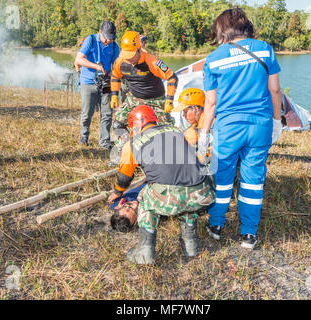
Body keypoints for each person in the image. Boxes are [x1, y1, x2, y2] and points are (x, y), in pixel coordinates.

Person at [200, 8, 283, 249]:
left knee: (223, 178)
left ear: (222, 30)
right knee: (253, 179)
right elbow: (275, 90)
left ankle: (216, 224)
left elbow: (211, 103)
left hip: (228, 129)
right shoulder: (265, 49)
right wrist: (277, 121)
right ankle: (248, 233)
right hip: (260, 126)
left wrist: (204, 133)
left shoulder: (214, 59)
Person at [108, 105, 215, 265]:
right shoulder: (176, 131)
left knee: (143, 197)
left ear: (134, 126)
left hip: (172, 199)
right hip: (203, 192)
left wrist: (117, 192)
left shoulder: (132, 143)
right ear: (154, 120)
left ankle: (144, 253)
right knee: (186, 197)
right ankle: (190, 245)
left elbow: (125, 177)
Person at [110, 31, 178, 130]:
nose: (129, 60)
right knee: (118, 125)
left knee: (166, 128)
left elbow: (172, 77)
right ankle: (129, 144)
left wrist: (169, 99)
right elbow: (115, 76)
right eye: (126, 56)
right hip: (135, 98)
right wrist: (114, 95)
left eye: (131, 56)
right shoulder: (120, 62)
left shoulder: (151, 60)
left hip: (156, 99)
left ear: (139, 50)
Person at [74, 21, 120, 150]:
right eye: (106, 38)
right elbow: (79, 59)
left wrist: (111, 73)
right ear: (100, 32)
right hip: (88, 81)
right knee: (87, 113)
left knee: (107, 113)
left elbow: (116, 65)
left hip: (105, 83)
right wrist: (96, 67)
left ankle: (104, 142)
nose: (108, 41)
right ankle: (84, 136)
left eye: (111, 38)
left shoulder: (115, 46)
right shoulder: (91, 40)